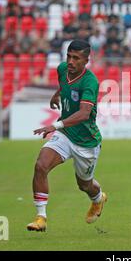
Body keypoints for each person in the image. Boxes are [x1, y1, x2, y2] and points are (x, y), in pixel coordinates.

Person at [27, 40, 107, 232]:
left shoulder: (90, 82)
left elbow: (84, 113)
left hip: (86, 141)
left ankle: (98, 199)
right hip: (65, 134)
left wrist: (54, 125)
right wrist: (57, 94)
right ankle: (41, 218)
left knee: (85, 185)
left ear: (86, 60)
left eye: (76, 58)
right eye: (69, 56)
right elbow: (65, 84)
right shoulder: (63, 69)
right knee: (41, 166)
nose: (70, 62)